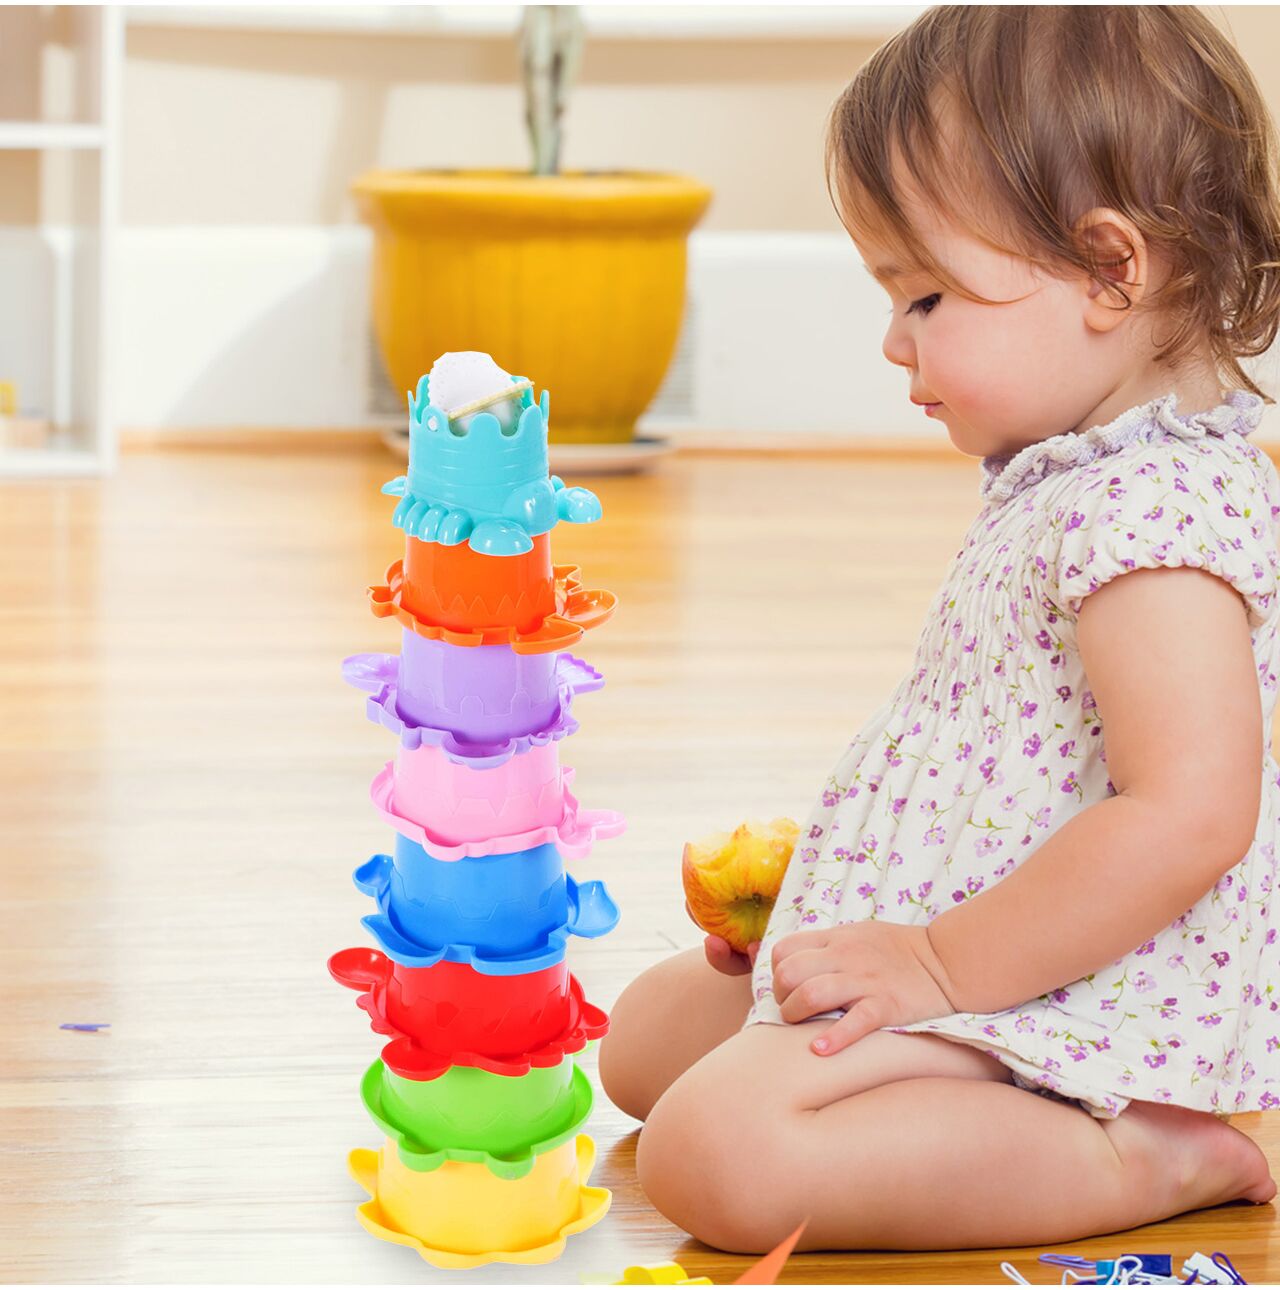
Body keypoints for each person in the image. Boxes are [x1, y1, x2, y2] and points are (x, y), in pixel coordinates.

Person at [598, 5, 1280, 1254]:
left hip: (1073, 985)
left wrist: (940, 964)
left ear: (1108, 270)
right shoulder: (1073, 474)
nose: (891, 340)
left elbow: (1189, 811)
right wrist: (848, 893)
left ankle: (1141, 1147)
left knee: (717, 1153)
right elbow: (1009, 752)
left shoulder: (1157, 509)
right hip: (967, 934)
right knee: (639, 1044)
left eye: (922, 295)